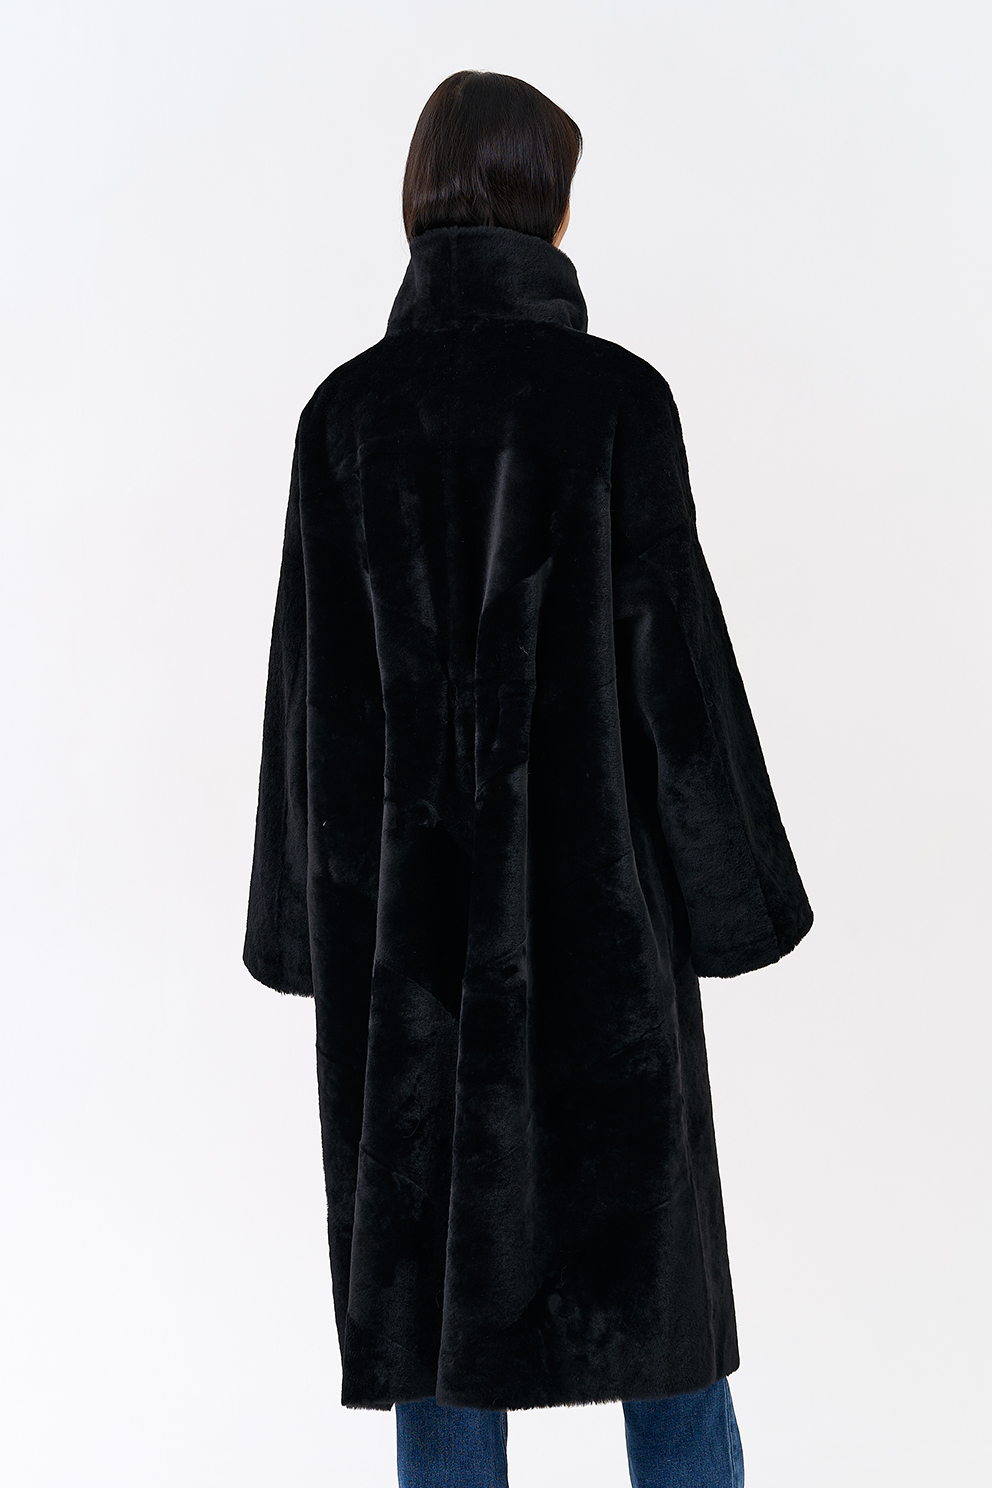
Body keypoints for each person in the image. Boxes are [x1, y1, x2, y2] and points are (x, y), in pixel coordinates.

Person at [243, 70, 812, 1487]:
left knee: (437, 1321)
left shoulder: (342, 420)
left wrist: (300, 932)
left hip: (408, 962)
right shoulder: (616, 404)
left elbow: (307, 701)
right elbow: (678, 682)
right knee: (662, 1316)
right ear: (545, 206)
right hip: (600, 943)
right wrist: (737, 902)